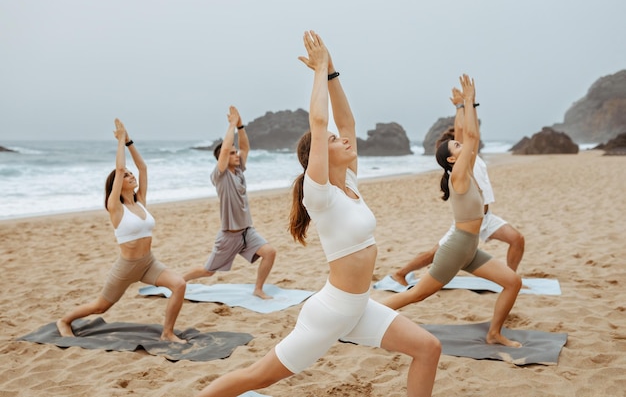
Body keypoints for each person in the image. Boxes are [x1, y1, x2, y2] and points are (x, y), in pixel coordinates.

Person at [193, 31, 441, 397]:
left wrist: (333, 72)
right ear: (316, 159)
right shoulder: (319, 193)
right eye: (332, 141)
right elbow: (320, 123)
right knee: (257, 377)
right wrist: (318, 71)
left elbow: (347, 123)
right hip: (331, 313)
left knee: (428, 348)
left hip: (359, 307)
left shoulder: (350, 183)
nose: (344, 140)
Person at [381, 75, 523, 348]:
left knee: (512, 282)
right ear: (450, 159)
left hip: (470, 248)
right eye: (456, 147)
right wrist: (469, 102)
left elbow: (470, 136)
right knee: (416, 295)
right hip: (457, 247)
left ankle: (494, 333)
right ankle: (362, 318)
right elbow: (469, 135)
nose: (461, 145)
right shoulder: (457, 175)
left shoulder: (465, 169)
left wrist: (464, 107)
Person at [56, 118, 187, 343]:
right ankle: (64, 321)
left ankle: (167, 333)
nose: (131, 175)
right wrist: (119, 142)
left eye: (130, 173)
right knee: (101, 307)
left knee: (179, 285)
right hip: (126, 267)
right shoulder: (115, 207)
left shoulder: (141, 201)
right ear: (117, 183)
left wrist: (129, 141)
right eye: (126, 175)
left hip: (149, 263)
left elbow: (143, 167)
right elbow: (118, 169)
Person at [391, 94, 525, 286]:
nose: (461, 144)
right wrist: (462, 106)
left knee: (517, 239)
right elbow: (464, 131)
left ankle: (509, 277)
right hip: (467, 224)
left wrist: (467, 104)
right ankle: (401, 273)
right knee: (433, 254)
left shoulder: (473, 157)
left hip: (487, 217)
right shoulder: (463, 165)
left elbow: (470, 132)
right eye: (457, 143)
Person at [183, 105, 276, 300]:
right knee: (208, 271)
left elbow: (245, 147)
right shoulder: (220, 175)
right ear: (223, 159)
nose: (237, 155)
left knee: (269, 252)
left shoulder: (239, 171)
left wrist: (241, 127)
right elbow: (225, 149)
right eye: (232, 154)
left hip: (247, 232)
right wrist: (232, 125)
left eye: (236, 153)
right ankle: (179, 280)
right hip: (229, 236)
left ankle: (258, 289)